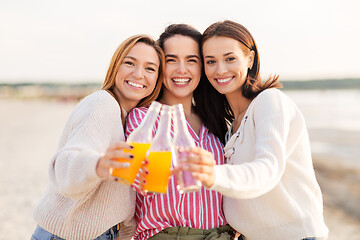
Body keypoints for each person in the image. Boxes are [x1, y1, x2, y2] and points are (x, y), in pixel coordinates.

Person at [180, 20, 329, 240]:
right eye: (210, 61)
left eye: (230, 58)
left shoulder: (270, 102)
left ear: (249, 58)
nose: (220, 69)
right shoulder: (232, 126)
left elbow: (267, 169)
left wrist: (213, 173)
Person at [31, 35, 164, 240]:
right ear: (115, 66)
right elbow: (66, 164)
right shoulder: (103, 103)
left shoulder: (134, 119)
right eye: (129, 63)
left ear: (157, 78)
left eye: (150, 68)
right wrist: (99, 165)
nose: (138, 74)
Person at [125, 24, 232, 240]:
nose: (181, 69)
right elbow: (138, 181)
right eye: (171, 60)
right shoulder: (143, 119)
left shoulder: (216, 124)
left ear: (202, 68)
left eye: (191, 60)